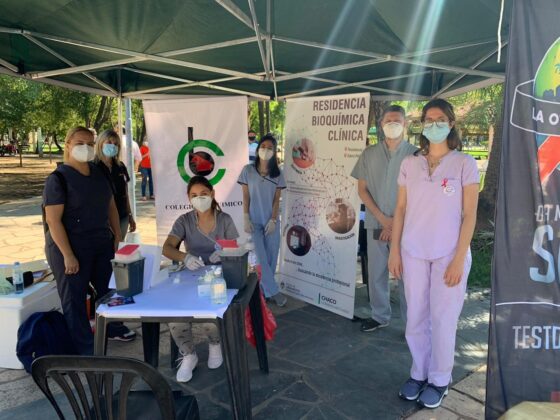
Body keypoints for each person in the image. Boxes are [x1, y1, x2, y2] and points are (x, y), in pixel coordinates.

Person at [388, 99, 479, 409]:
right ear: (422, 125)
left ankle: (440, 379)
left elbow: (470, 215)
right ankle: (419, 373)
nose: (434, 124)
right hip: (413, 251)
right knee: (415, 316)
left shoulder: (464, 163)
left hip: (448, 255)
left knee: (443, 319)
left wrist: (458, 259)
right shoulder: (409, 164)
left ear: (451, 123)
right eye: (429, 119)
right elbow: (401, 209)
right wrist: (395, 251)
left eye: (440, 119)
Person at [43, 127, 131, 355]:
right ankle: (85, 350)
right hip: (71, 247)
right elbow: (53, 221)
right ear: (67, 145)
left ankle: (113, 328)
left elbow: (110, 205)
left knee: (109, 290)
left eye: (90, 144)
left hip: (100, 242)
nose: (86, 148)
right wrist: (68, 255)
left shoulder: (99, 173)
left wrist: (117, 236)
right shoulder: (58, 179)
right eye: (80, 143)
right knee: (74, 300)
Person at [162, 176, 239, 382]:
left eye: (204, 194)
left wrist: (223, 253)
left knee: (209, 305)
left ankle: (215, 343)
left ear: (212, 194)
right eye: (194, 195)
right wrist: (185, 257)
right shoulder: (184, 221)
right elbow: (167, 248)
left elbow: (234, 249)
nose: (199, 198)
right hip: (192, 275)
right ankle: (188, 354)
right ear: (189, 198)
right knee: (176, 311)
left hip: (219, 276)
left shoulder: (225, 220)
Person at [351, 105, 417, 333]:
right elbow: (362, 190)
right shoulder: (369, 154)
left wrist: (395, 223)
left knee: (407, 277)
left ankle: (412, 325)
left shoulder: (417, 155)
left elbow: (419, 194)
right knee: (377, 272)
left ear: (405, 124)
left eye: (397, 120)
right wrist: (383, 218)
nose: (392, 124)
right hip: (376, 223)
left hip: (407, 227)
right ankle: (379, 316)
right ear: (381, 124)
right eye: (388, 120)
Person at [238, 133, 287, 306]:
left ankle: (265, 293)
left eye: (270, 148)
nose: (266, 150)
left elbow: (276, 199)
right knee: (261, 258)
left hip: (271, 221)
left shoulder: (278, 174)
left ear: (274, 151)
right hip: (254, 221)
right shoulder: (247, 170)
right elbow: (246, 196)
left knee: (271, 258)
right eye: (263, 147)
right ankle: (274, 292)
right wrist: (245, 217)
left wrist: (273, 220)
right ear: (258, 149)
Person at [94, 129, 137, 241]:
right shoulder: (92, 167)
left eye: (116, 144)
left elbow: (125, 193)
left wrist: (130, 215)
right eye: (109, 142)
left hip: (122, 216)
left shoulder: (120, 166)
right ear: (100, 143)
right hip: (102, 219)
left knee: (119, 247)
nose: (112, 146)